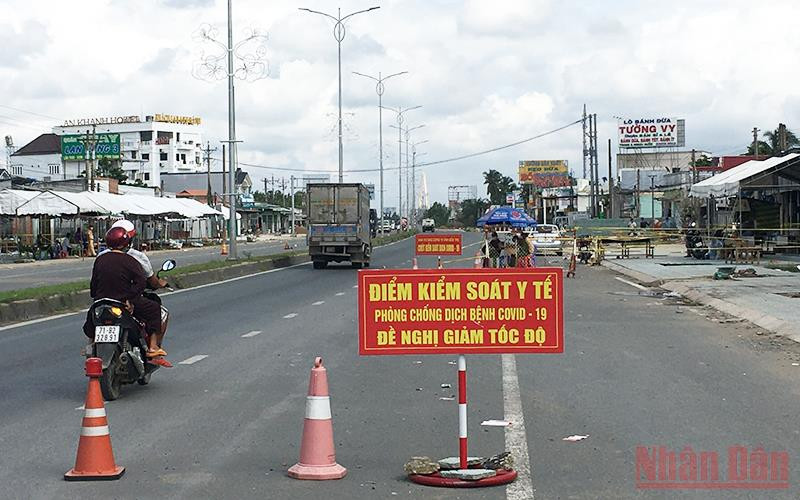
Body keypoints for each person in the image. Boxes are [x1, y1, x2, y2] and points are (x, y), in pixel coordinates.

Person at [91, 224, 167, 362]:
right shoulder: (133, 259)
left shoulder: (100, 259)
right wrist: (130, 299)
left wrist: (98, 297)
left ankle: (91, 344)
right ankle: (153, 347)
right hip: (123, 301)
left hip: (101, 301)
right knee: (154, 308)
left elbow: (93, 285)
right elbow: (142, 283)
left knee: (92, 319)